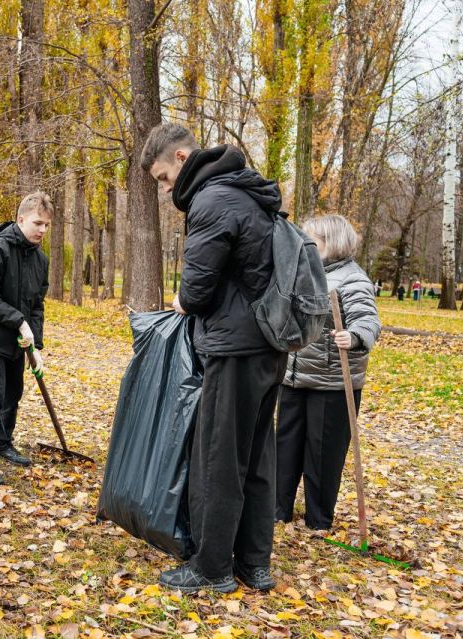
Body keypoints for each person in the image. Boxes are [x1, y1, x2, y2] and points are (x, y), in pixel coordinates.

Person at [141, 122, 288, 594]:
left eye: (163, 178)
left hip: (233, 346)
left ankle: (212, 568)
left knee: (219, 457)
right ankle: (255, 564)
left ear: (182, 159)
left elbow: (197, 290)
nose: (166, 190)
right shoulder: (248, 192)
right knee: (257, 454)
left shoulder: (211, 200)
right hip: (269, 343)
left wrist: (183, 300)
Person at [275, 215, 381, 532]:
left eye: (313, 241)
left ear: (331, 243)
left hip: (331, 383)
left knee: (323, 453)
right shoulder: (306, 273)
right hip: (294, 377)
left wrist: (357, 336)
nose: (306, 245)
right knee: (286, 446)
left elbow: (367, 319)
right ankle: (277, 510)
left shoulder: (353, 280)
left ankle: (318, 519)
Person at [0, 192, 52, 486]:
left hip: (19, 343)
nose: (42, 230)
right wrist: (19, 322)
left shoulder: (41, 259)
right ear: (20, 219)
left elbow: (37, 304)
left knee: (12, 394)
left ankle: (3, 443)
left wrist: (36, 344)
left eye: (46, 225)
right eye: (37, 223)